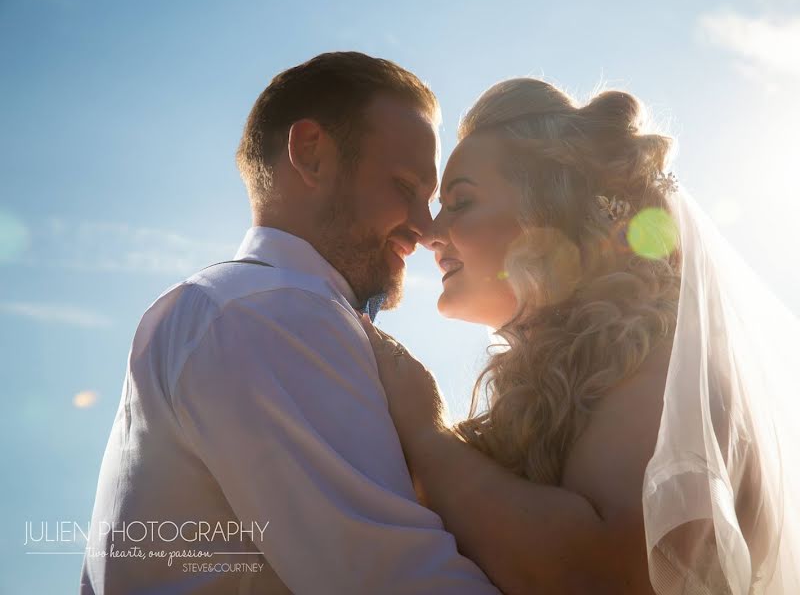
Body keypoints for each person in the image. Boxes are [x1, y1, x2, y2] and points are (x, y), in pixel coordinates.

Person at [362, 77, 800, 594]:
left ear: (551, 213)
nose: (430, 233)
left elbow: (604, 579)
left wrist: (426, 436)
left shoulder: (666, 371)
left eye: (460, 201)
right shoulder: (574, 381)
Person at [80, 52, 499, 594]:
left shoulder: (238, 307)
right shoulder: (271, 311)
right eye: (404, 187)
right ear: (311, 154)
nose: (423, 227)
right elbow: (394, 580)